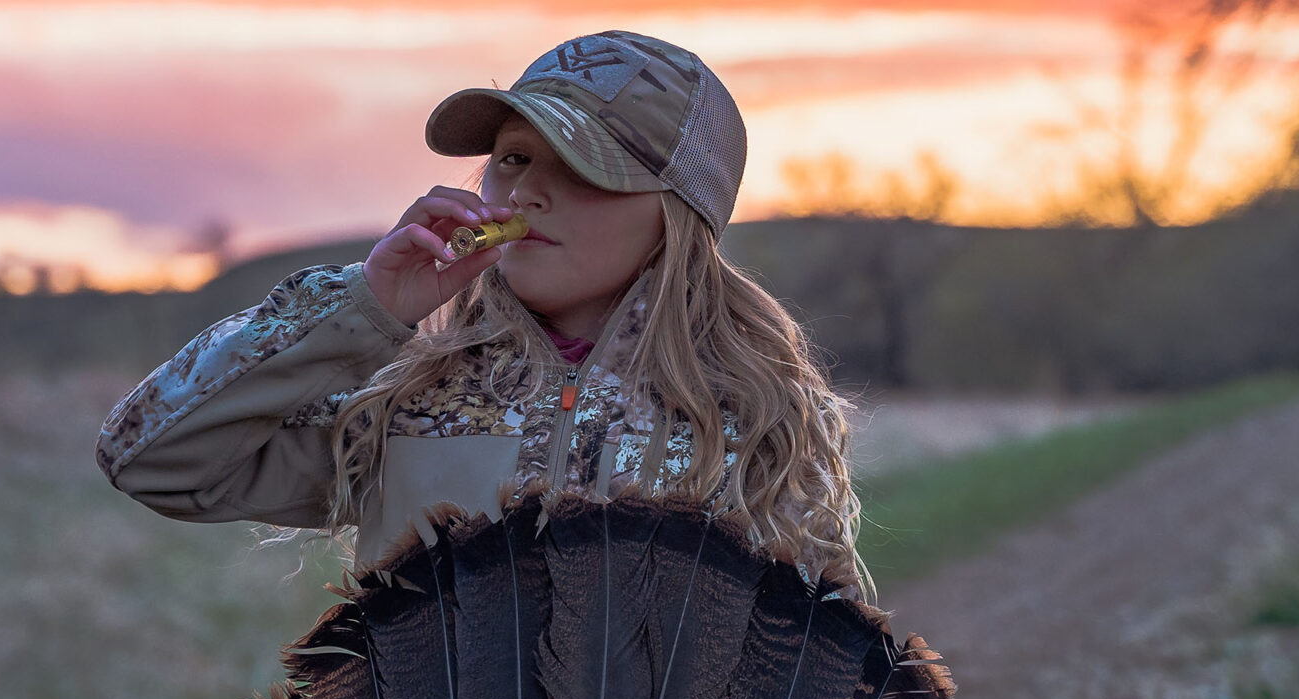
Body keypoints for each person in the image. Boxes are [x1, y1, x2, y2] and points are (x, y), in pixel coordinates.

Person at [96, 29, 869, 596]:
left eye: (584, 166)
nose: (525, 192)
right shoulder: (403, 404)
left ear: (679, 214)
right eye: (513, 158)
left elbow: (807, 683)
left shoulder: (753, 422)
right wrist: (363, 309)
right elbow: (150, 458)